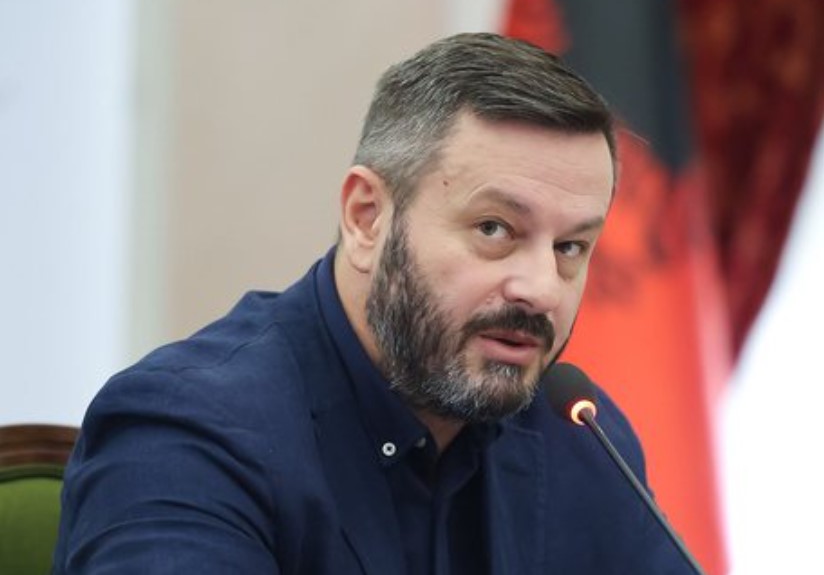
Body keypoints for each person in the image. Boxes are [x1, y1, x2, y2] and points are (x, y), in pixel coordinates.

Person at [53, 33, 692, 574]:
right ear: (367, 218)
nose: (543, 288)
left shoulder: (580, 439)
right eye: (495, 229)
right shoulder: (187, 432)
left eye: (570, 246)